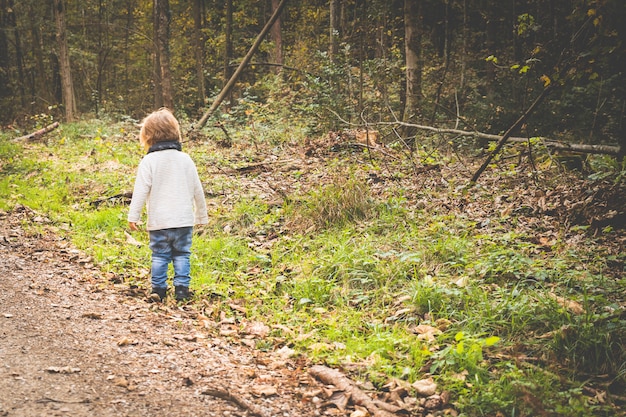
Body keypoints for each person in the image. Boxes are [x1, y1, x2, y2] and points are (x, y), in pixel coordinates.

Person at [127, 108, 208, 302]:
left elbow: (140, 191)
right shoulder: (185, 159)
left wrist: (133, 216)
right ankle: (181, 290)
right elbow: (198, 189)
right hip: (183, 221)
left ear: (147, 136)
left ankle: (159, 290)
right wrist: (201, 216)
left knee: (160, 256)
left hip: (159, 221)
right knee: (182, 254)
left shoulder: (149, 161)